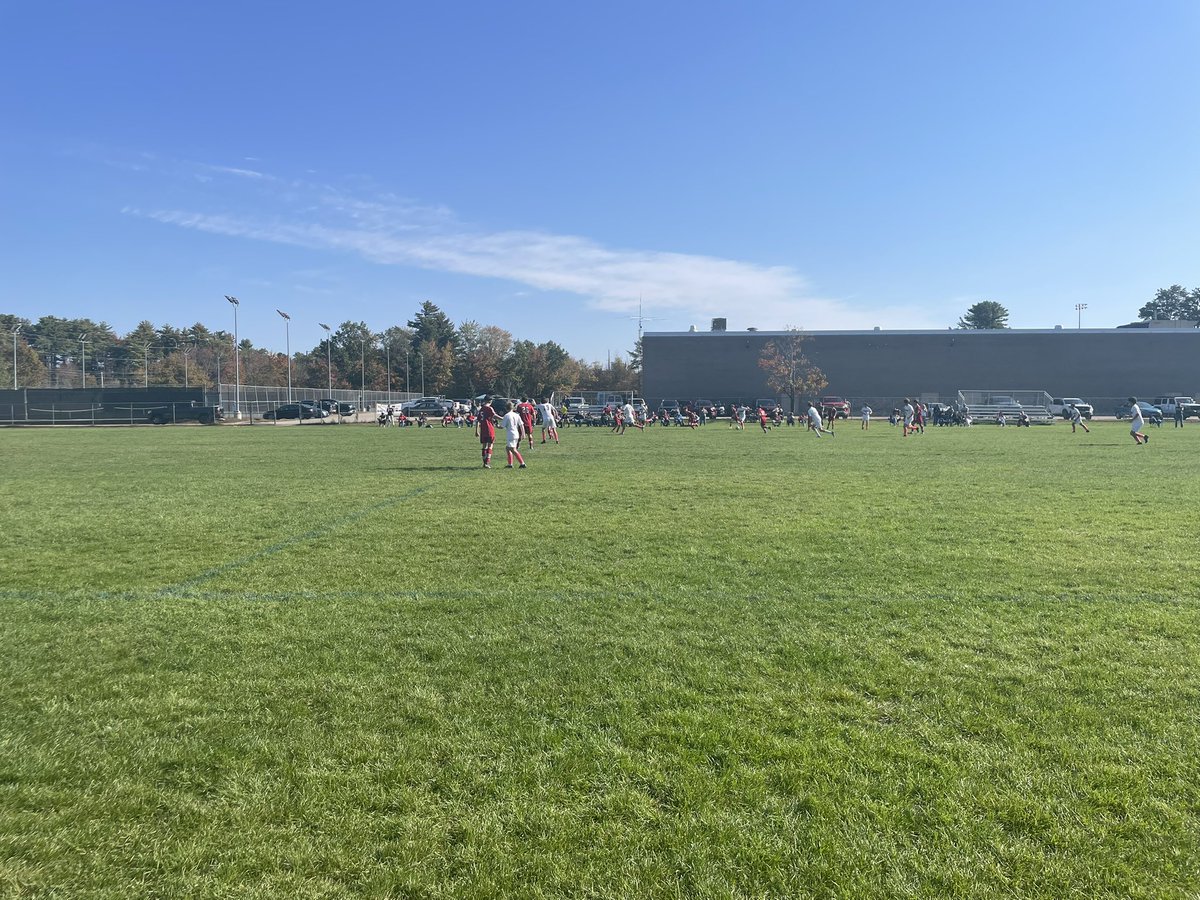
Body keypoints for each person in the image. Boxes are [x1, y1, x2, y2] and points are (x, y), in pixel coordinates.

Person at [500, 401, 528, 467]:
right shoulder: (516, 415)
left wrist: (497, 426)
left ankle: (522, 463)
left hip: (510, 434)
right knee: (508, 448)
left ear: (506, 408)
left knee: (513, 449)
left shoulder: (507, 415)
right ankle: (510, 464)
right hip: (516, 433)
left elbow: (502, 426)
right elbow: (521, 425)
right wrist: (523, 433)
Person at [475, 396, 500, 468]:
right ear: (490, 401)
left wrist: (476, 431)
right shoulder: (489, 408)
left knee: (484, 446)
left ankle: (484, 463)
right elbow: (494, 415)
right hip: (489, 429)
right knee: (490, 445)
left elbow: (478, 420)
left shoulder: (481, 409)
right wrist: (503, 418)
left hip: (483, 429)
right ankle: (487, 463)